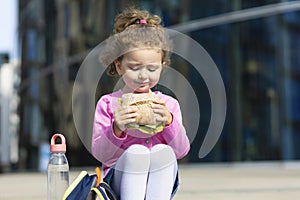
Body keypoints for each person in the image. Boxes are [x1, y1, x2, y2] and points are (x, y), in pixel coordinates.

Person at [92, 7, 190, 200]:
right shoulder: (108, 103)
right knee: (137, 152)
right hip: (118, 182)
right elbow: (101, 154)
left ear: (162, 67)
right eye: (134, 68)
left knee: (164, 151)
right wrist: (116, 128)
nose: (144, 76)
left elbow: (181, 151)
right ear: (119, 66)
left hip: (158, 179)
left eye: (152, 68)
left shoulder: (168, 105)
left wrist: (169, 123)